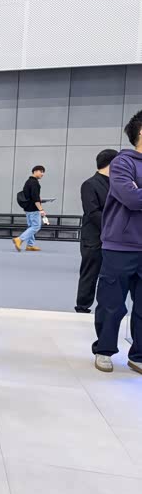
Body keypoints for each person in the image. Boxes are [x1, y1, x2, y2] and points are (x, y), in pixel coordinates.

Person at [92, 110, 142, 375]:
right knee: (112, 303)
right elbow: (131, 199)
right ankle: (104, 350)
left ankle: (138, 356)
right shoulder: (123, 163)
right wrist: (135, 192)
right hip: (120, 246)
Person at [75, 149, 118, 314]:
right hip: (94, 237)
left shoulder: (117, 184)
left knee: (111, 276)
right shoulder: (89, 184)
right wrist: (113, 228)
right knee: (90, 273)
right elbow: (92, 212)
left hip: (114, 238)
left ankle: (106, 307)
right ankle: (82, 306)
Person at [13, 166, 46, 252]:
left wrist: (39, 199)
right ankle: (19, 239)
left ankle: (30, 245)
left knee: (31, 226)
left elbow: (30, 196)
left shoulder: (28, 181)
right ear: (35, 171)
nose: (42, 174)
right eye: (41, 171)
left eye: (43, 172)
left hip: (28, 208)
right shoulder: (35, 183)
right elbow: (35, 198)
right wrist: (41, 210)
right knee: (36, 226)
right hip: (33, 208)